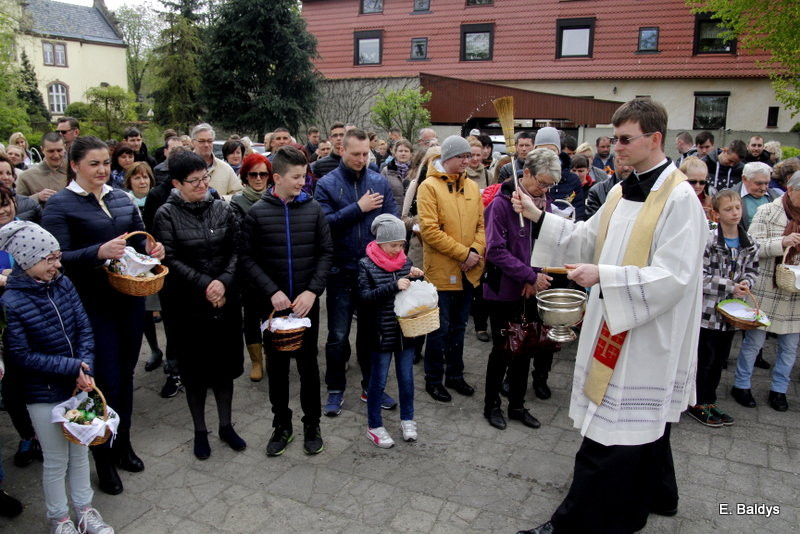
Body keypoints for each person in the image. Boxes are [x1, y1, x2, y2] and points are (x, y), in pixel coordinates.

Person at [513, 98, 706, 534]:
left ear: (654, 139)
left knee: (609, 431)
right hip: (615, 318)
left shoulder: (678, 199)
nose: (614, 147)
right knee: (646, 422)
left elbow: (674, 276)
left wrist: (605, 275)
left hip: (645, 333)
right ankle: (659, 494)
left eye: (624, 139)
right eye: (614, 139)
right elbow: (586, 236)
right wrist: (538, 216)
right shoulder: (621, 189)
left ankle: (571, 524)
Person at [42, 136, 166, 496]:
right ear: (75, 165)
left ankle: (123, 442)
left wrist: (151, 247)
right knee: (103, 381)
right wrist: (97, 251)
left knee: (124, 376)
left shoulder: (119, 196)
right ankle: (103, 457)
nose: (101, 170)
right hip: (90, 306)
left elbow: (139, 242)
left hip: (127, 298)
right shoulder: (61, 205)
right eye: (93, 163)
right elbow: (57, 258)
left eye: (105, 163)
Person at [0, 220, 114, 533]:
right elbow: (20, 356)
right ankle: (59, 518)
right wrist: (71, 368)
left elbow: (84, 328)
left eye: (57, 256)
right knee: (55, 459)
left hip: (79, 386)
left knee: (80, 451)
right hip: (42, 393)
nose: (57, 264)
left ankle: (85, 510)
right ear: (27, 261)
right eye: (48, 259)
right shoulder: (11, 302)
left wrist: (84, 367)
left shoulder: (64, 284)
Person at [152, 150, 245, 460]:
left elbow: (236, 249)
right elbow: (171, 258)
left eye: (205, 177)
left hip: (225, 302)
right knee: (195, 374)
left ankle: (226, 424)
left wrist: (223, 282)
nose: (202, 184)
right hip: (188, 306)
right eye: (194, 181)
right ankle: (200, 431)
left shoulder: (221, 208)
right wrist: (206, 283)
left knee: (224, 370)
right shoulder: (166, 214)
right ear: (177, 183)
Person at [240, 146, 332, 456]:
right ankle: (281, 425)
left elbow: (325, 253)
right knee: (277, 370)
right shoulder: (257, 213)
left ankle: (312, 424)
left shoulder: (314, 209)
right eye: (296, 177)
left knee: (308, 368)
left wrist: (311, 292)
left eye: (304, 176)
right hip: (272, 310)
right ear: (276, 178)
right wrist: (271, 292)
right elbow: (247, 258)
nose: (302, 182)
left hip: (306, 307)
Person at [314, 128, 398, 416]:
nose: (362, 159)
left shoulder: (379, 181)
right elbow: (324, 225)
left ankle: (370, 386)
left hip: (373, 273)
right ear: (341, 150)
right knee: (337, 336)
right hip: (341, 271)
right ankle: (335, 388)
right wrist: (358, 208)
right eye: (356, 154)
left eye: (366, 154)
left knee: (370, 335)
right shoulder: (326, 183)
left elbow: (392, 223)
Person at [483, 148, 558, 431]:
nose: (545, 190)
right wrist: (528, 276)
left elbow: (547, 244)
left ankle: (516, 405)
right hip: (503, 289)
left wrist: (536, 277)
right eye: (541, 182)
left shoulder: (543, 205)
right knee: (503, 349)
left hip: (531, 288)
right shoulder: (500, 205)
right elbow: (496, 251)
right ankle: (491, 405)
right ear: (525, 173)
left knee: (526, 348)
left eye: (550, 185)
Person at [417, 135, 485, 402]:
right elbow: (430, 231)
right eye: (462, 157)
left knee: (458, 328)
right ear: (447, 158)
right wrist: (464, 254)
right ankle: (433, 379)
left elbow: (481, 226)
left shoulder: (472, 187)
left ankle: (455, 375)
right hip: (442, 273)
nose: (467, 161)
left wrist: (476, 252)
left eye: (469, 156)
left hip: (469, 271)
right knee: (439, 330)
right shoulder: (429, 187)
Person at [730, 171, 800, 412]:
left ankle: (779, 390)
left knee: (790, 346)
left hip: (795, 292)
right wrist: (782, 242)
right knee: (754, 342)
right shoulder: (768, 211)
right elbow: (751, 247)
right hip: (767, 286)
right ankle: (741, 385)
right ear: (790, 190)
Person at [690, 190, 758, 427]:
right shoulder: (708, 241)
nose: (735, 213)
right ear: (716, 214)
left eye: (738, 207)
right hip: (707, 314)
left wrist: (747, 283)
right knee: (704, 359)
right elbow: (699, 275)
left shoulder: (749, 243)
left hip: (732, 314)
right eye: (728, 209)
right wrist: (730, 285)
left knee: (719, 359)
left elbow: (752, 270)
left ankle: (710, 400)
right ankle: (696, 401)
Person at [358, 214, 423, 448]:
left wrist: (416, 278)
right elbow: (364, 298)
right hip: (380, 334)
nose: (399, 249)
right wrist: (392, 286)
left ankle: (408, 419)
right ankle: (374, 425)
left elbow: (409, 294)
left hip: (405, 331)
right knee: (378, 381)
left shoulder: (405, 263)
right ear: (381, 243)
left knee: (407, 379)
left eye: (402, 245)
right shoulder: (365, 265)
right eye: (394, 245)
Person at [230, 153, 272, 381]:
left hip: (273, 268)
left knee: (272, 312)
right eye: (253, 174)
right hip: (248, 270)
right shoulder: (237, 202)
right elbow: (240, 235)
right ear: (245, 176)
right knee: (251, 316)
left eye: (263, 173)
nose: (258, 178)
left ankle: (271, 351)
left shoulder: (275, 197)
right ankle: (256, 360)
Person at [122, 162, 163, 373]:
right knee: (145, 309)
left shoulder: (157, 198)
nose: (142, 181)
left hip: (158, 259)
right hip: (135, 263)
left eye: (146, 177)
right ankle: (155, 349)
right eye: (137, 177)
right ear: (129, 181)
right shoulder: (124, 201)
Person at [191, 123, 242, 197]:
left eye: (209, 141)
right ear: (193, 143)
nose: (206, 145)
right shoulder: (183, 167)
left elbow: (238, 194)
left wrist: (221, 201)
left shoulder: (225, 169)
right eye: (202, 141)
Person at [16, 132, 67, 205]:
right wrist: (37, 197)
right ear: (42, 150)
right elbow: (17, 205)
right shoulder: (26, 177)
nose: (56, 155)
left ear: (64, 147)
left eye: (59, 150)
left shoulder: (76, 173)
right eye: (51, 151)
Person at [737, 161, 782, 229]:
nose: (763, 188)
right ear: (744, 179)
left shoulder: (777, 195)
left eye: (766, 183)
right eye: (759, 183)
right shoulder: (730, 196)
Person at [381, 139, 413, 209]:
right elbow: (381, 193)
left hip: (411, 214)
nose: (403, 153)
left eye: (406, 151)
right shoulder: (386, 171)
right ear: (395, 153)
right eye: (400, 151)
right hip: (393, 212)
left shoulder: (416, 171)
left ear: (411, 154)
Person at [680, 156, 715, 221]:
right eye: (692, 182)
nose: (697, 186)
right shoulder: (674, 200)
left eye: (702, 182)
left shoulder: (711, 203)